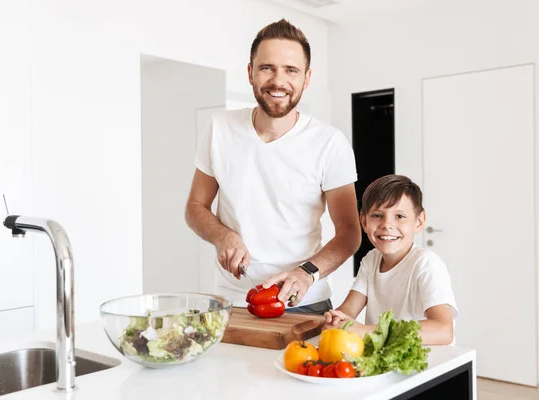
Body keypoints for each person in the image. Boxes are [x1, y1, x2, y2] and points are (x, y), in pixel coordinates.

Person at [185, 19, 361, 314]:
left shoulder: (330, 142)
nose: (278, 81)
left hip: (305, 302)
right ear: (251, 73)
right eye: (267, 67)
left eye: (291, 70)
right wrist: (222, 235)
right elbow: (195, 206)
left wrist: (307, 272)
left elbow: (349, 232)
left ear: (306, 78)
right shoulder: (220, 128)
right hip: (233, 302)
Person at [323, 175, 458, 345]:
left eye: (400, 216)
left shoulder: (426, 264)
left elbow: (443, 330)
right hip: (386, 362)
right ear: (364, 221)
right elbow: (349, 309)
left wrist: (365, 331)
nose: (387, 224)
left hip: (431, 364)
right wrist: (337, 319)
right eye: (377, 215)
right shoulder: (371, 260)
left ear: (419, 221)